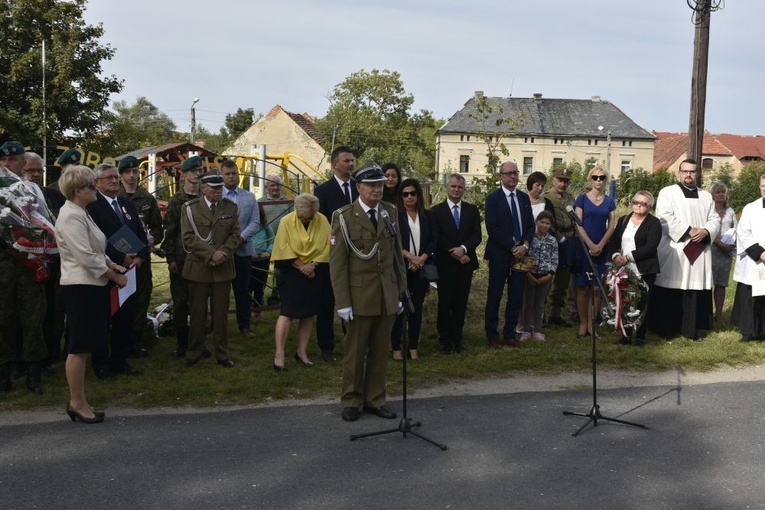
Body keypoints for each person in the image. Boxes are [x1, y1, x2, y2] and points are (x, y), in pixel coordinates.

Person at [330, 164, 405, 422]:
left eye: (380, 184)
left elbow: (396, 256)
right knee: (355, 352)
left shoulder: (390, 212)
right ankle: (351, 400)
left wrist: (400, 292)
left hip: (386, 294)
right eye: (371, 185)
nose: (377, 189)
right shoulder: (344, 216)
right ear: (359, 187)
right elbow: (338, 264)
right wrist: (343, 302)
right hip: (358, 297)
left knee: (378, 353)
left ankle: (375, 399)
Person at [55, 165, 127, 423]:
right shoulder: (71, 215)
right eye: (90, 185)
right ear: (77, 191)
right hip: (80, 287)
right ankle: (76, 403)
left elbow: (96, 247)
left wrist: (111, 263)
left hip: (90, 286)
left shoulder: (81, 212)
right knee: (79, 347)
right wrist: (114, 276)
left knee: (84, 345)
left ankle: (80, 400)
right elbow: (84, 256)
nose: (95, 188)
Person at [87, 163, 148, 379]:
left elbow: (140, 233)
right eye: (108, 178)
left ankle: (120, 360)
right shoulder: (91, 206)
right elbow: (96, 240)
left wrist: (139, 256)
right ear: (97, 183)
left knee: (125, 317)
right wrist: (121, 258)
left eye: (115, 177)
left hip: (130, 271)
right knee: (103, 320)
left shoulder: (126, 204)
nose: (114, 181)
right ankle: (102, 365)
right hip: (106, 270)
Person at [0, 141, 50, 394]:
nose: (10, 164)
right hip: (3, 264)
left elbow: (42, 220)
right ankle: (4, 372)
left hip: (28, 263)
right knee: (3, 318)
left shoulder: (31, 190)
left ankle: (34, 373)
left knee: (33, 317)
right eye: (6, 161)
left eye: (15, 160)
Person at [651, 159, 719, 341]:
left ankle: (691, 330)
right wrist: (689, 231)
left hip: (699, 248)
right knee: (672, 287)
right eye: (685, 171)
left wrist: (705, 231)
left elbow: (715, 219)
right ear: (679, 173)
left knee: (693, 290)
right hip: (676, 248)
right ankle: (667, 329)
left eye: (692, 172)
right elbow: (664, 218)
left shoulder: (706, 196)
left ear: (698, 174)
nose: (688, 175)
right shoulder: (668, 193)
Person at [181, 172, 241, 368]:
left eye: (220, 187)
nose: (218, 191)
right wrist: (211, 254)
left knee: (220, 315)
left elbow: (235, 234)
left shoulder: (230, 207)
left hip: (223, 268)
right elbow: (188, 238)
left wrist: (222, 253)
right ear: (203, 188)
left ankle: (222, 353)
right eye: (214, 188)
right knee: (197, 313)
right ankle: (194, 352)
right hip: (199, 268)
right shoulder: (189, 209)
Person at [271, 194, 330, 371]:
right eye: (304, 218)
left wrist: (313, 265)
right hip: (291, 271)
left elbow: (330, 243)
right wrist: (302, 266)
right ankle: (279, 354)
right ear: (297, 211)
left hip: (315, 271)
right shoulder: (286, 221)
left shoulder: (323, 220)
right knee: (287, 313)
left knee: (308, 313)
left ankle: (302, 352)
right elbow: (283, 247)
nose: (308, 220)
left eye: (311, 217)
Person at [313, 146, 358, 362]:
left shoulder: (360, 188)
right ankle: (326, 347)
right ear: (335, 164)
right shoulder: (323, 191)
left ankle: (353, 342)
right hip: (332, 254)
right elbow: (321, 225)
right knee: (327, 301)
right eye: (346, 161)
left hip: (358, 253)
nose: (351, 164)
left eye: (352, 160)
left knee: (354, 300)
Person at [484, 161, 535, 347]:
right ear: (501, 176)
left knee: (515, 296)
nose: (513, 176)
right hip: (500, 254)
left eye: (515, 173)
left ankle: (510, 333)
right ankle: (492, 335)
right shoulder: (493, 199)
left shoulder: (523, 198)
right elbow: (492, 228)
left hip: (522, 255)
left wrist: (525, 246)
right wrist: (513, 246)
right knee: (495, 295)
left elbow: (530, 225)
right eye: (509, 173)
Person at [118, 155, 164, 357]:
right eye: (127, 172)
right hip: (118, 260)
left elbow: (158, 228)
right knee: (120, 300)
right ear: (120, 175)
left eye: (135, 171)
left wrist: (151, 239)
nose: (131, 176)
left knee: (141, 298)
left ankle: (136, 340)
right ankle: (119, 339)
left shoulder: (147, 198)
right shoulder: (114, 197)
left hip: (141, 259)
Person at [23, 152, 65, 373]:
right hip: (26, 265)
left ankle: (50, 353)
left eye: (39, 170)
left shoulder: (54, 196)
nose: (36, 175)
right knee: (29, 313)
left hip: (55, 263)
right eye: (31, 170)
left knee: (54, 308)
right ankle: (25, 360)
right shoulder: (13, 197)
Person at [431, 173, 482, 354]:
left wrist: (463, 249)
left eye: (460, 187)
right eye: (453, 186)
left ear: (464, 189)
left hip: (466, 264)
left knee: (461, 303)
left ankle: (457, 338)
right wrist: (455, 253)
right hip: (445, 264)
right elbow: (437, 236)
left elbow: (477, 235)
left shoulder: (472, 210)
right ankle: (444, 340)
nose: (456, 190)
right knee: (445, 303)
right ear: (447, 187)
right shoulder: (436, 211)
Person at [160, 156, 204, 357]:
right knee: (180, 303)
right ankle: (182, 343)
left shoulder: (206, 197)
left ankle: (198, 343)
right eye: (193, 170)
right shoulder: (176, 201)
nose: (197, 173)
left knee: (200, 303)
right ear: (184, 174)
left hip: (202, 258)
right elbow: (170, 230)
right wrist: (170, 259)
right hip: (181, 257)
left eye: (200, 170)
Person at [391, 178, 437, 361]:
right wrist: (411, 257)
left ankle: (413, 346)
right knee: (399, 308)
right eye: (405, 194)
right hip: (403, 268)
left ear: (418, 195)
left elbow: (434, 239)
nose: (409, 197)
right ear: (400, 197)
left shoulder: (427, 215)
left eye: (413, 193)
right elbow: (393, 242)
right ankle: (395, 347)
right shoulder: (396, 217)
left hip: (421, 268)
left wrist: (422, 258)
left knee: (416, 308)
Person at [608, 191, 662, 346]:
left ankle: (640, 336)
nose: (638, 205)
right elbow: (613, 241)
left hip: (644, 269)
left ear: (650, 206)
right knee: (625, 302)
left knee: (642, 303)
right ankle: (625, 335)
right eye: (636, 202)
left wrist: (629, 257)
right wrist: (616, 255)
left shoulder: (654, 223)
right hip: (623, 269)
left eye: (643, 203)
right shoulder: (624, 220)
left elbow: (651, 246)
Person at [573, 166, 616, 338]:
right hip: (584, 247)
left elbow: (612, 225)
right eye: (595, 177)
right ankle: (583, 324)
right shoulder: (582, 199)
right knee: (583, 287)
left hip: (601, 248)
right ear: (590, 179)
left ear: (606, 180)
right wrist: (590, 244)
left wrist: (600, 245)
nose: (599, 180)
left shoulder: (609, 201)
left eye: (602, 177)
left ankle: (592, 324)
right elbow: (578, 223)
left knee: (597, 288)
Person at [221, 160, 260, 338]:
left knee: (242, 291)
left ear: (238, 175)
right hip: (221, 252)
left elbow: (255, 222)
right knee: (220, 292)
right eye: (227, 174)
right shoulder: (215, 196)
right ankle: (217, 327)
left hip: (243, 251)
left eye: (234, 173)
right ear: (222, 176)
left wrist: (241, 238)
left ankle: (244, 326)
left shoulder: (249, 197)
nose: (231, 177)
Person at [731, 174, 765, 343]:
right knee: (750, 298)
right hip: (755, 260)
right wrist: (761, 253)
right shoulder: (750, 208)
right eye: (763, 186)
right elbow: (743, 232)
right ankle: (748, 332)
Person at [520, 210, 558, 341]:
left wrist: (549, 275)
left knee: (540, 303)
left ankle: (538, 329)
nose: (544, 225)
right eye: (542, 222)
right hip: (530, 274)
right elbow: (523, 257)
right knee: (527, 302)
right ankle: (525, 329)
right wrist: (528, 274)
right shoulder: (529, 238)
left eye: (548, 223)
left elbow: (555, 259)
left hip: (545, 276)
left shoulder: (553, 241)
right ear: (536, 222)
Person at [545, 167, 576, 327]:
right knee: (547, 276)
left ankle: (555, 313)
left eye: (565, 181)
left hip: (569, 240)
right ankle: (541, 314)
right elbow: (545, 222)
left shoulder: (571, 198)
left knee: (563, 278)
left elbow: (575, 219)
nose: (562, 184)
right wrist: (559, 237)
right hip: (553, 240)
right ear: (554, 180)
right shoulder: (547, 198)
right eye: (560, 180)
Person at [709, 182, 737, 322]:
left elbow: (736, 230)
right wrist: (719, 243)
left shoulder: (731, 211)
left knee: (721, 285)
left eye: (723, 192)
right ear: (712, 195)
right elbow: (706, 230)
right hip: (709, 251)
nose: (720, 194)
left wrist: (732, 245)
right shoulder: (708, 210)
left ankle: (719, 314)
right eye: (717, 192)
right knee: (707, 284)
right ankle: (706, 313)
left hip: (725, 254)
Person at [249, 203, 274, 317]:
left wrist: (268, 252)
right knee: (247, 286)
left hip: (262, 260)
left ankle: (257, 309)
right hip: (249, 260)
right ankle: (247, 308)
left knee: (260, 285)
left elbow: (273, 240)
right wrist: (249, 253)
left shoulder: (265, 225)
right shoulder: (244, 225)